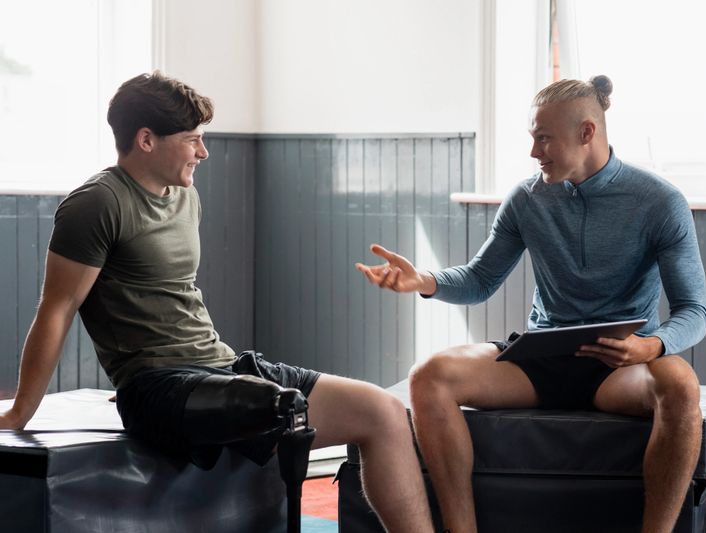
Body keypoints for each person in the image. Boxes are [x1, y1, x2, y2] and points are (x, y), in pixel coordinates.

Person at [0, 71, 433, 533]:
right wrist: (20, 412)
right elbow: (58, 308)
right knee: (272, 407)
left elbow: (172, 298)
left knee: (383, 412)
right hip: (157, 388)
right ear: (146, 140)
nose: (203, 152)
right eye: (193, 140)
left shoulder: (186, 197)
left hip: (221, 367)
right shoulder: (96, 204)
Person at [356, 75, 706, 533]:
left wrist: (651, 347)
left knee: (681, 384)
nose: (533, 151)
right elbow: (480, 280)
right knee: (429, 377)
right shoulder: (527, 198)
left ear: (587, 133)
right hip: (539, 358)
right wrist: (422, 280)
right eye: (532, 138)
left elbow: (694, 311)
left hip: (619, 367)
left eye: (544, 138)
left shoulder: (660, 202)